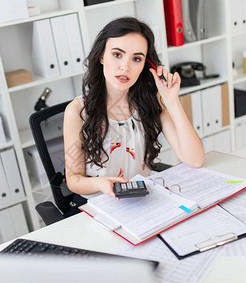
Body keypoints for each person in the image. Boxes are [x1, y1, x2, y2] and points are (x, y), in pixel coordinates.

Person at [63, 17, 204, 199]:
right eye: (117, 54)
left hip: (142, 200)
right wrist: (100, 183)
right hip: (102, 203)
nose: (125, 67)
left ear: (146, 65)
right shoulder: (78, 110)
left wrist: (172, 101)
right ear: (101, 56)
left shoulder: (152, 101)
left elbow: (195, 159)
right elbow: (73, 179)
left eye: (136, 58)